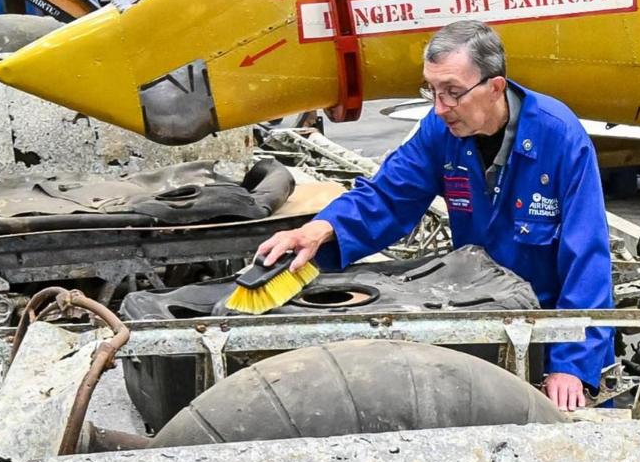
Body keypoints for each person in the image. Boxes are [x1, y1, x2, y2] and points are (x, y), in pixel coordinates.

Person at [250, 20, 616, 407]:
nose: (440, 108)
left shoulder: (559, 137)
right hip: (483, 318)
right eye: (432, 90)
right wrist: (319, 230)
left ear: (495, 87)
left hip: (549, 333)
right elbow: (387, 197)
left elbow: (587, 258)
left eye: (453, 92)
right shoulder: (441, 132)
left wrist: (572, 365)